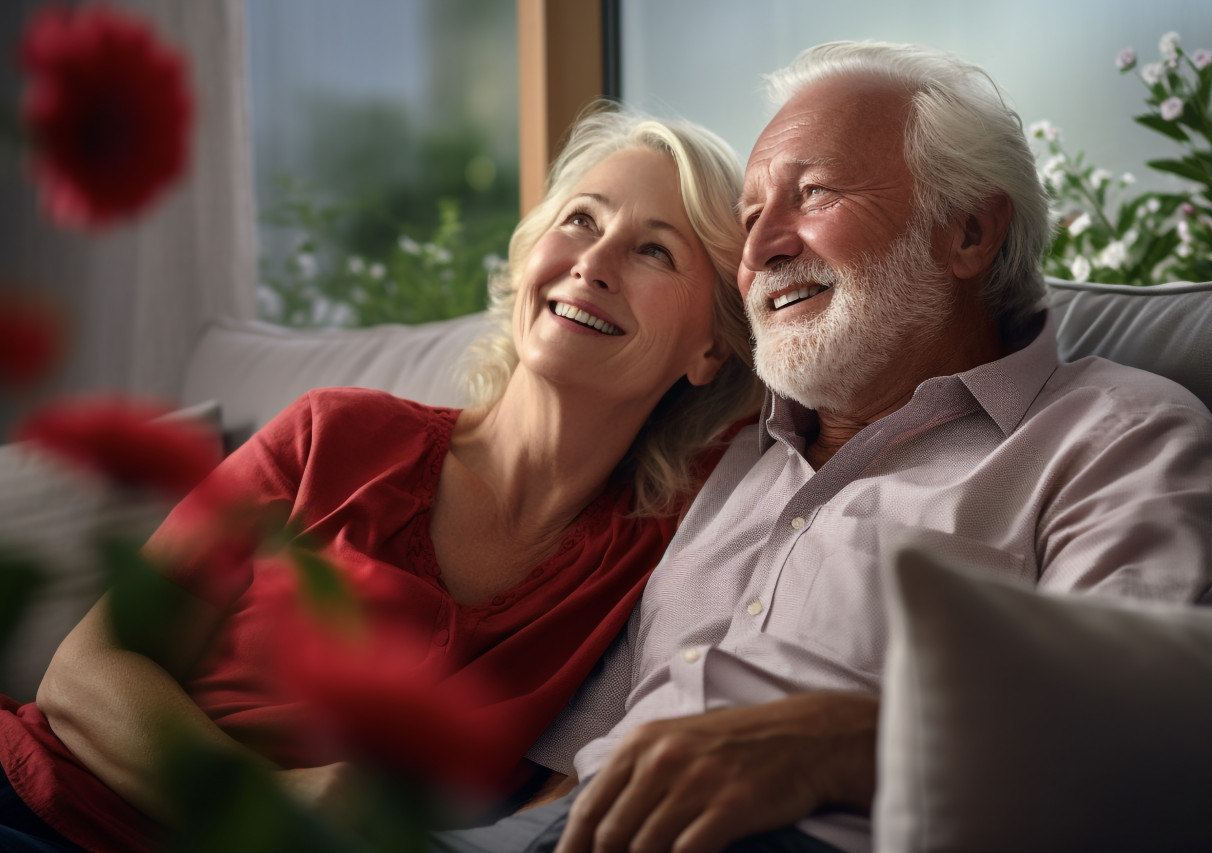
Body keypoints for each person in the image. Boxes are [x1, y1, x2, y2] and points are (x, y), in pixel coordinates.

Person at [431, 40, 1212, 853]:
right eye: (750, 218)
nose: (761, 249)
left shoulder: (1117, 435)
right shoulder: (726, 464)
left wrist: (841, 744)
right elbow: (574, 772)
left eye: (814, 194)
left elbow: (1149, 739)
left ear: (969, 231)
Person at [0, 105, 764, 853]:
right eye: (581, 220)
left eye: (654, 251)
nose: (593, 263)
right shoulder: (334, 434)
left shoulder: (672, 544)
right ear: (530, 255)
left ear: (710, 350)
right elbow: (83, 673)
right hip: (48, 804)